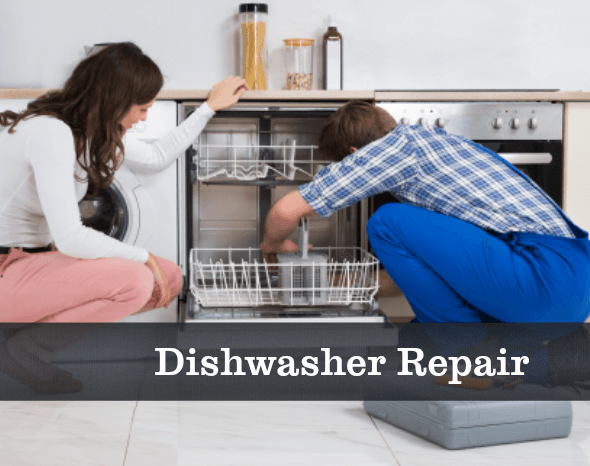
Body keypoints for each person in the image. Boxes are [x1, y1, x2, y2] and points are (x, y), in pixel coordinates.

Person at [259, 100, 590, 387]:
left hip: (542, 277)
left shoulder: (394, 151)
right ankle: (543, 364)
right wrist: (321, 281)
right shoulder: (432, 151)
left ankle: (469, 357)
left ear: (357, 155)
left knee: (387, 220)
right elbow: (396, 283)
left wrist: (271, 250)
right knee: (413, 344)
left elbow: (285, 210)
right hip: (567, 290)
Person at [0, 42, 248, 392]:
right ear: (113, 100)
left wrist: (208, 107)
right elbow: (70, 237)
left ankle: (22, 341)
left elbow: (157, 155)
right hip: (6, 269)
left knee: (170, 278)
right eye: (142, 108)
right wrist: (143, 256)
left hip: (29, 264)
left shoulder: (84, 132)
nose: (144, 117)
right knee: (137, 279)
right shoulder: (50, 132)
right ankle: (25, 352)